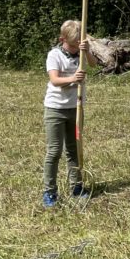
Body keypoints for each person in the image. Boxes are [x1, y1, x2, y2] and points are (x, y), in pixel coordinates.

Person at [42, 20, 89, 207]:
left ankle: (76, 186)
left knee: (74, 150)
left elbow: (93, 64)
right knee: (54, 151)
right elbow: (54, 80)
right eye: (73, 44)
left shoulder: (82, 52)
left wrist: (88, 49)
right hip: (56, 109)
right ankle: (50, 191)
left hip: (76, 109)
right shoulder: (54, 55)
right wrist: (73, 78)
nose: (75, 48)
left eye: (79, 43)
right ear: (63, 39)